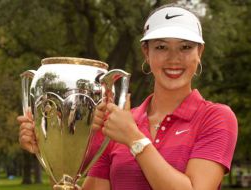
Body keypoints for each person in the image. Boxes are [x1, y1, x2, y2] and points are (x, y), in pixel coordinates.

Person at [18, 3, 238, 190]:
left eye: (185, 47)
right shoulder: (117, 123)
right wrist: (53, 147)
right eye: (161, 47)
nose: (174, 59)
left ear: (199, 53)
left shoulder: (216, 117)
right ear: (146, 52)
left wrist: (134, 139)